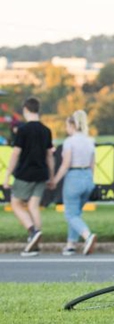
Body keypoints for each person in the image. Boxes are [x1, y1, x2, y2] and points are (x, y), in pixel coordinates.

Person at [2, 98, 55, 257]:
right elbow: (49, 156)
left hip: (25, 173)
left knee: (16, 203)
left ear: (25, 109)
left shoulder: (23, 130)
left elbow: (15, 154)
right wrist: (51, 177)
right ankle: (35, 244)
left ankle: (33, 231)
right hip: (41, 173)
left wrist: (7, 175)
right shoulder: (46, 130)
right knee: (33, 206)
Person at [50, 111, 97, 256]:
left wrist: (55, 180)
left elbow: (66, 164)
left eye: (67, 126)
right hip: (87, 177)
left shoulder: (69, 142)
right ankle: (71, 244)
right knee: (76, 213)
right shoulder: (90, 141)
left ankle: (88, 236)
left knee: (70, 214)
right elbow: (93, 165)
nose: (66, 129)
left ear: (72, 125)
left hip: (74, 177)